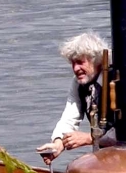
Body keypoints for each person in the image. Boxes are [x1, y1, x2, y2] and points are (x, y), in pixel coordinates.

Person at [36, 32, 112, 164]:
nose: (76, 69)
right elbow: (70, 117)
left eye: (80, 62)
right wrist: (58, 143)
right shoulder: (78, 83)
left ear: (98, 61)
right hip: (106, 155)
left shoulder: (116, 82)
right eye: (73, 63)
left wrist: (89, 138)